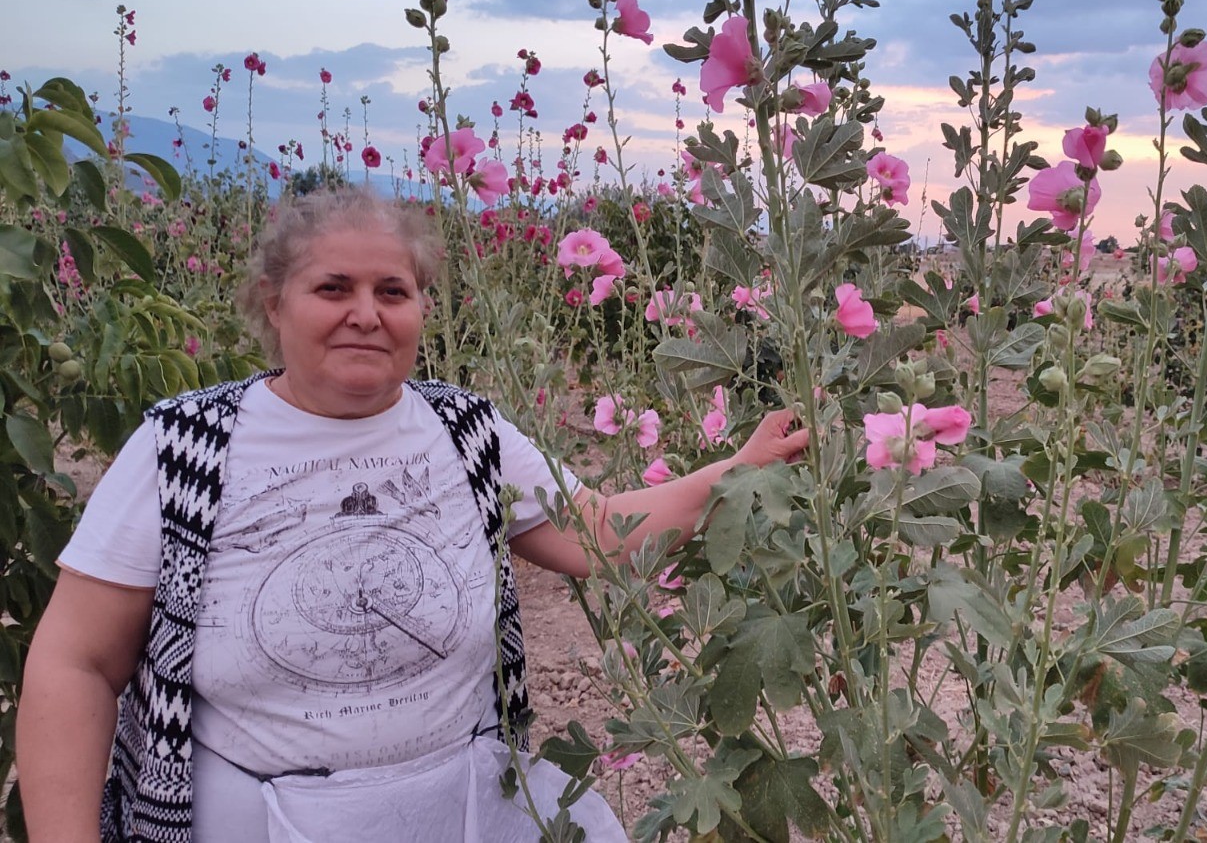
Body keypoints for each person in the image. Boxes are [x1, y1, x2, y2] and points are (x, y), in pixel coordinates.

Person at [16, 188, 808, 843]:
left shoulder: (467, 433)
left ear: (422, 308)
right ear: (273, 302)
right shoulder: (185, 445)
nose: (367, 313)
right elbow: (75, 665)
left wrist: (736, 472)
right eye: (334, 288)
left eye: (392, 291)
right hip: (253, 817)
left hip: (459, 811)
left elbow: (595, 529)